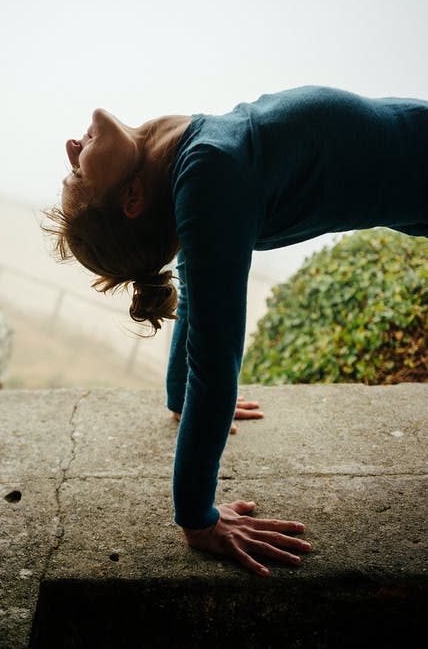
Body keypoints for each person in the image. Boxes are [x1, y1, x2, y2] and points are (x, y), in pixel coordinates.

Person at [46, 85, 428, 576]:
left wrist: (179, 395)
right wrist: (197, 517)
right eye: (77, 174)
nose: (72, 150)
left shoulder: (185, 170)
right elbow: (215, 361)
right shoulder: (206, 175)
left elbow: (194, 284)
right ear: (132, 198)